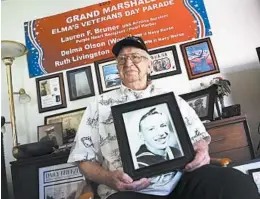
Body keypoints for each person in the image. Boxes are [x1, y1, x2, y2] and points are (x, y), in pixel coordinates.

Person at [67, 36, 259, 199]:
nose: (128, 62)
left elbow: (199, 138)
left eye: (136, 56)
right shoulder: (98, 106)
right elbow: (83, 159)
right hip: (130, 189)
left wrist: (202, 151)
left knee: (236, 184)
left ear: (150, 64)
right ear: (117, 69)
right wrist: (108, 178)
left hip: (182, 178)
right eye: (122, 59)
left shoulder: (170, 97)